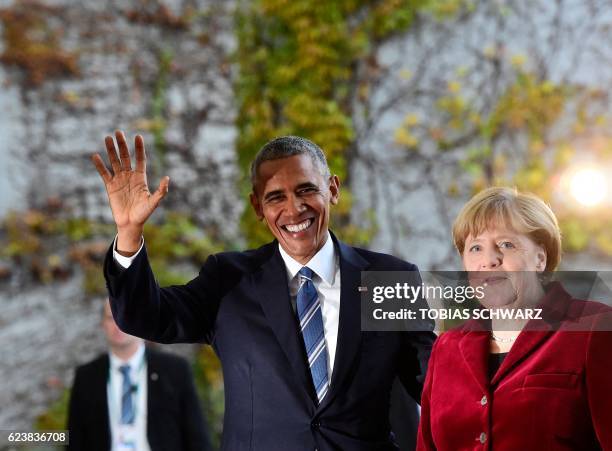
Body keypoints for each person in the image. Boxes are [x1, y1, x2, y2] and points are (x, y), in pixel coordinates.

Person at [92, 130, 436, 450]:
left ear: (332, 188)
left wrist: (489, 340)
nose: (294, 209)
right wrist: (128, 234)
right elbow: (146, 318)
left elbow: (436, 385)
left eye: (306, 190)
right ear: (258, 207)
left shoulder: (388, 278)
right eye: (276, 197)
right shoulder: (228, 280)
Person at [417, 187, 612, 450]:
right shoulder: (446, 347)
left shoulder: (594, 327)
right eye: (475, 248)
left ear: (540, 259)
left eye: (506, 245)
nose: (489, 260)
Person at [66, 299, 211, 451]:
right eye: (111, 317)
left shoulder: (175, 370)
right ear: (102, 324)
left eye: (126, 315)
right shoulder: (87, 376)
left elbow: (198, 437)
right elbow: (74, 439)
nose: (119, 323)